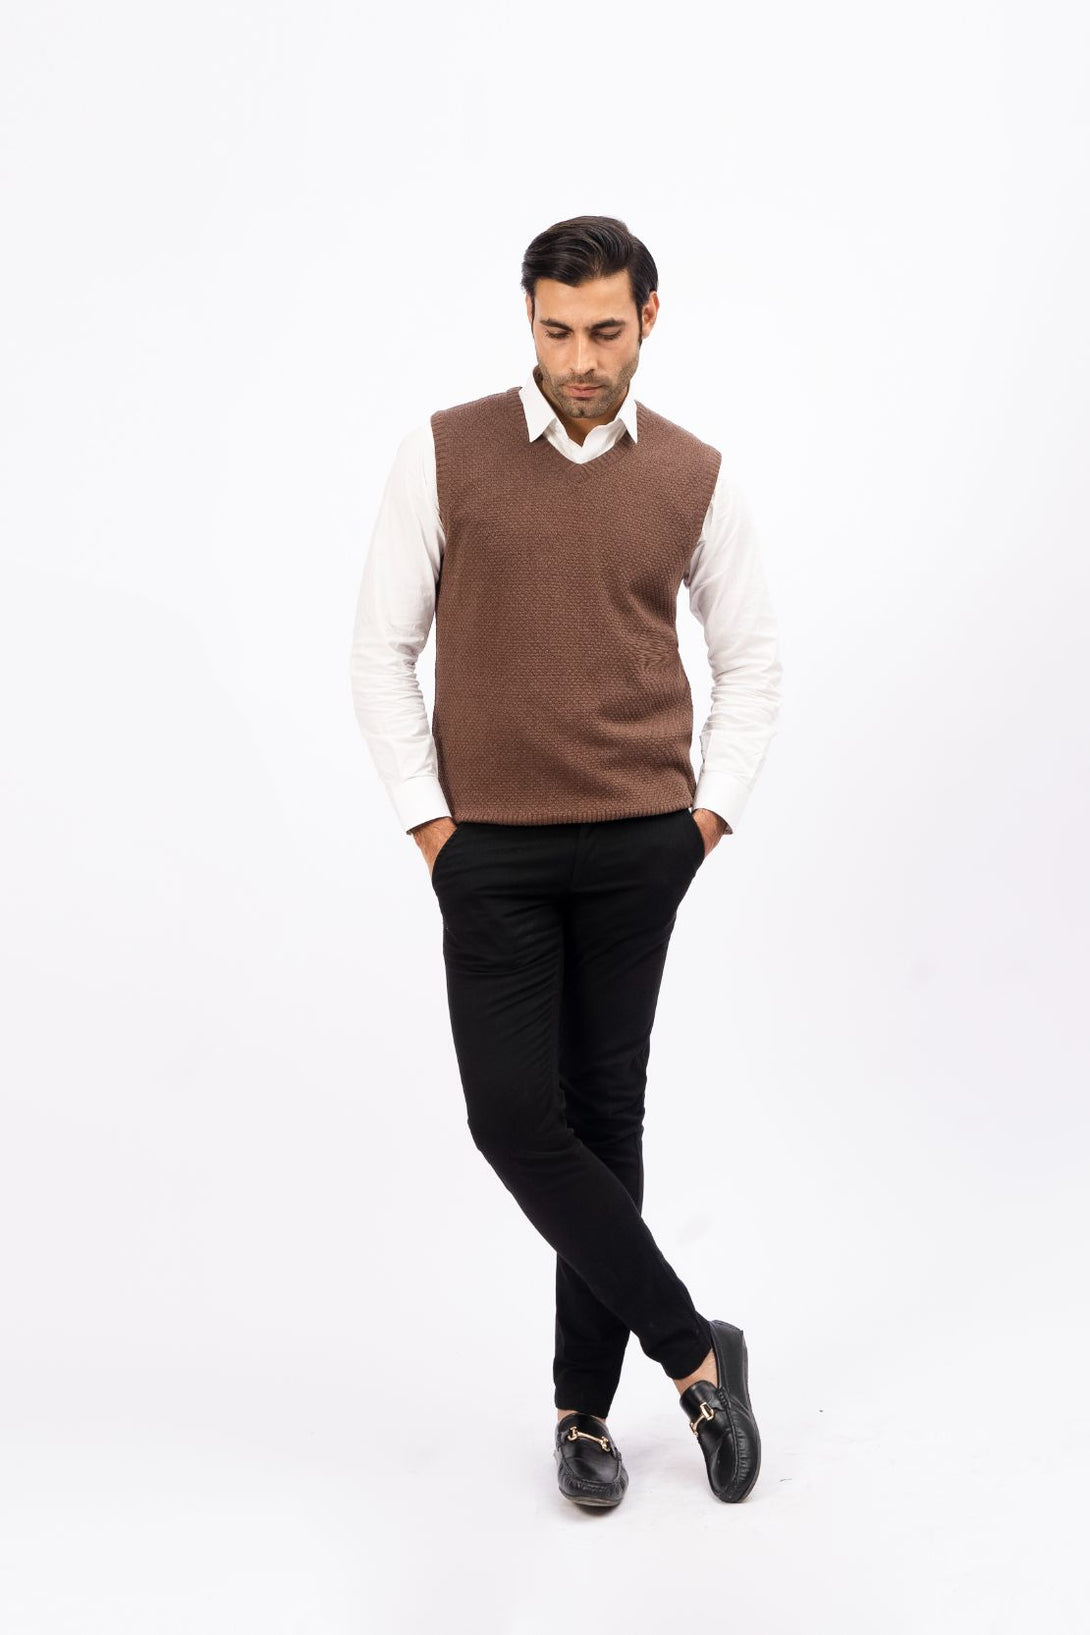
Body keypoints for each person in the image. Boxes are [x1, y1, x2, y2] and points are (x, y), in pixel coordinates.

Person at [349, 215, 783, 1507]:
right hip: (489, 850)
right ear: (528, 321)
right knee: (512, 1120)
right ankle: (697, 1355)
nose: (578, 361)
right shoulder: (446, 454)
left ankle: (580, 1415)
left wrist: (704, 821)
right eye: (555, 331)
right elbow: (381, 650)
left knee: (602, 1119)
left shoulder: (695, 475)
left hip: (641, 846)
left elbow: (751, 661)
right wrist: (433, 827)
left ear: (647, 318)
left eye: (602, 331)